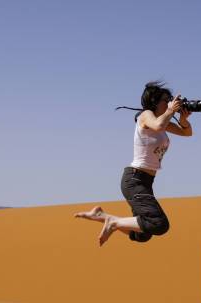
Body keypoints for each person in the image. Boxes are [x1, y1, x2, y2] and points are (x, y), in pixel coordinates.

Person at [74, 81, 194, 246]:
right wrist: (170, 111)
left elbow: (187, 133)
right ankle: (112, 222)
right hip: (135, 179)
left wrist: (183, 118)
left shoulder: (163, 121)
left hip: (146, 181)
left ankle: (101, 215)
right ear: (155, 101)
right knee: (159, 224)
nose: (170, 102)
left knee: (143, 234)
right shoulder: (146, 115)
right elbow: (158, 125)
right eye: (167, 99)